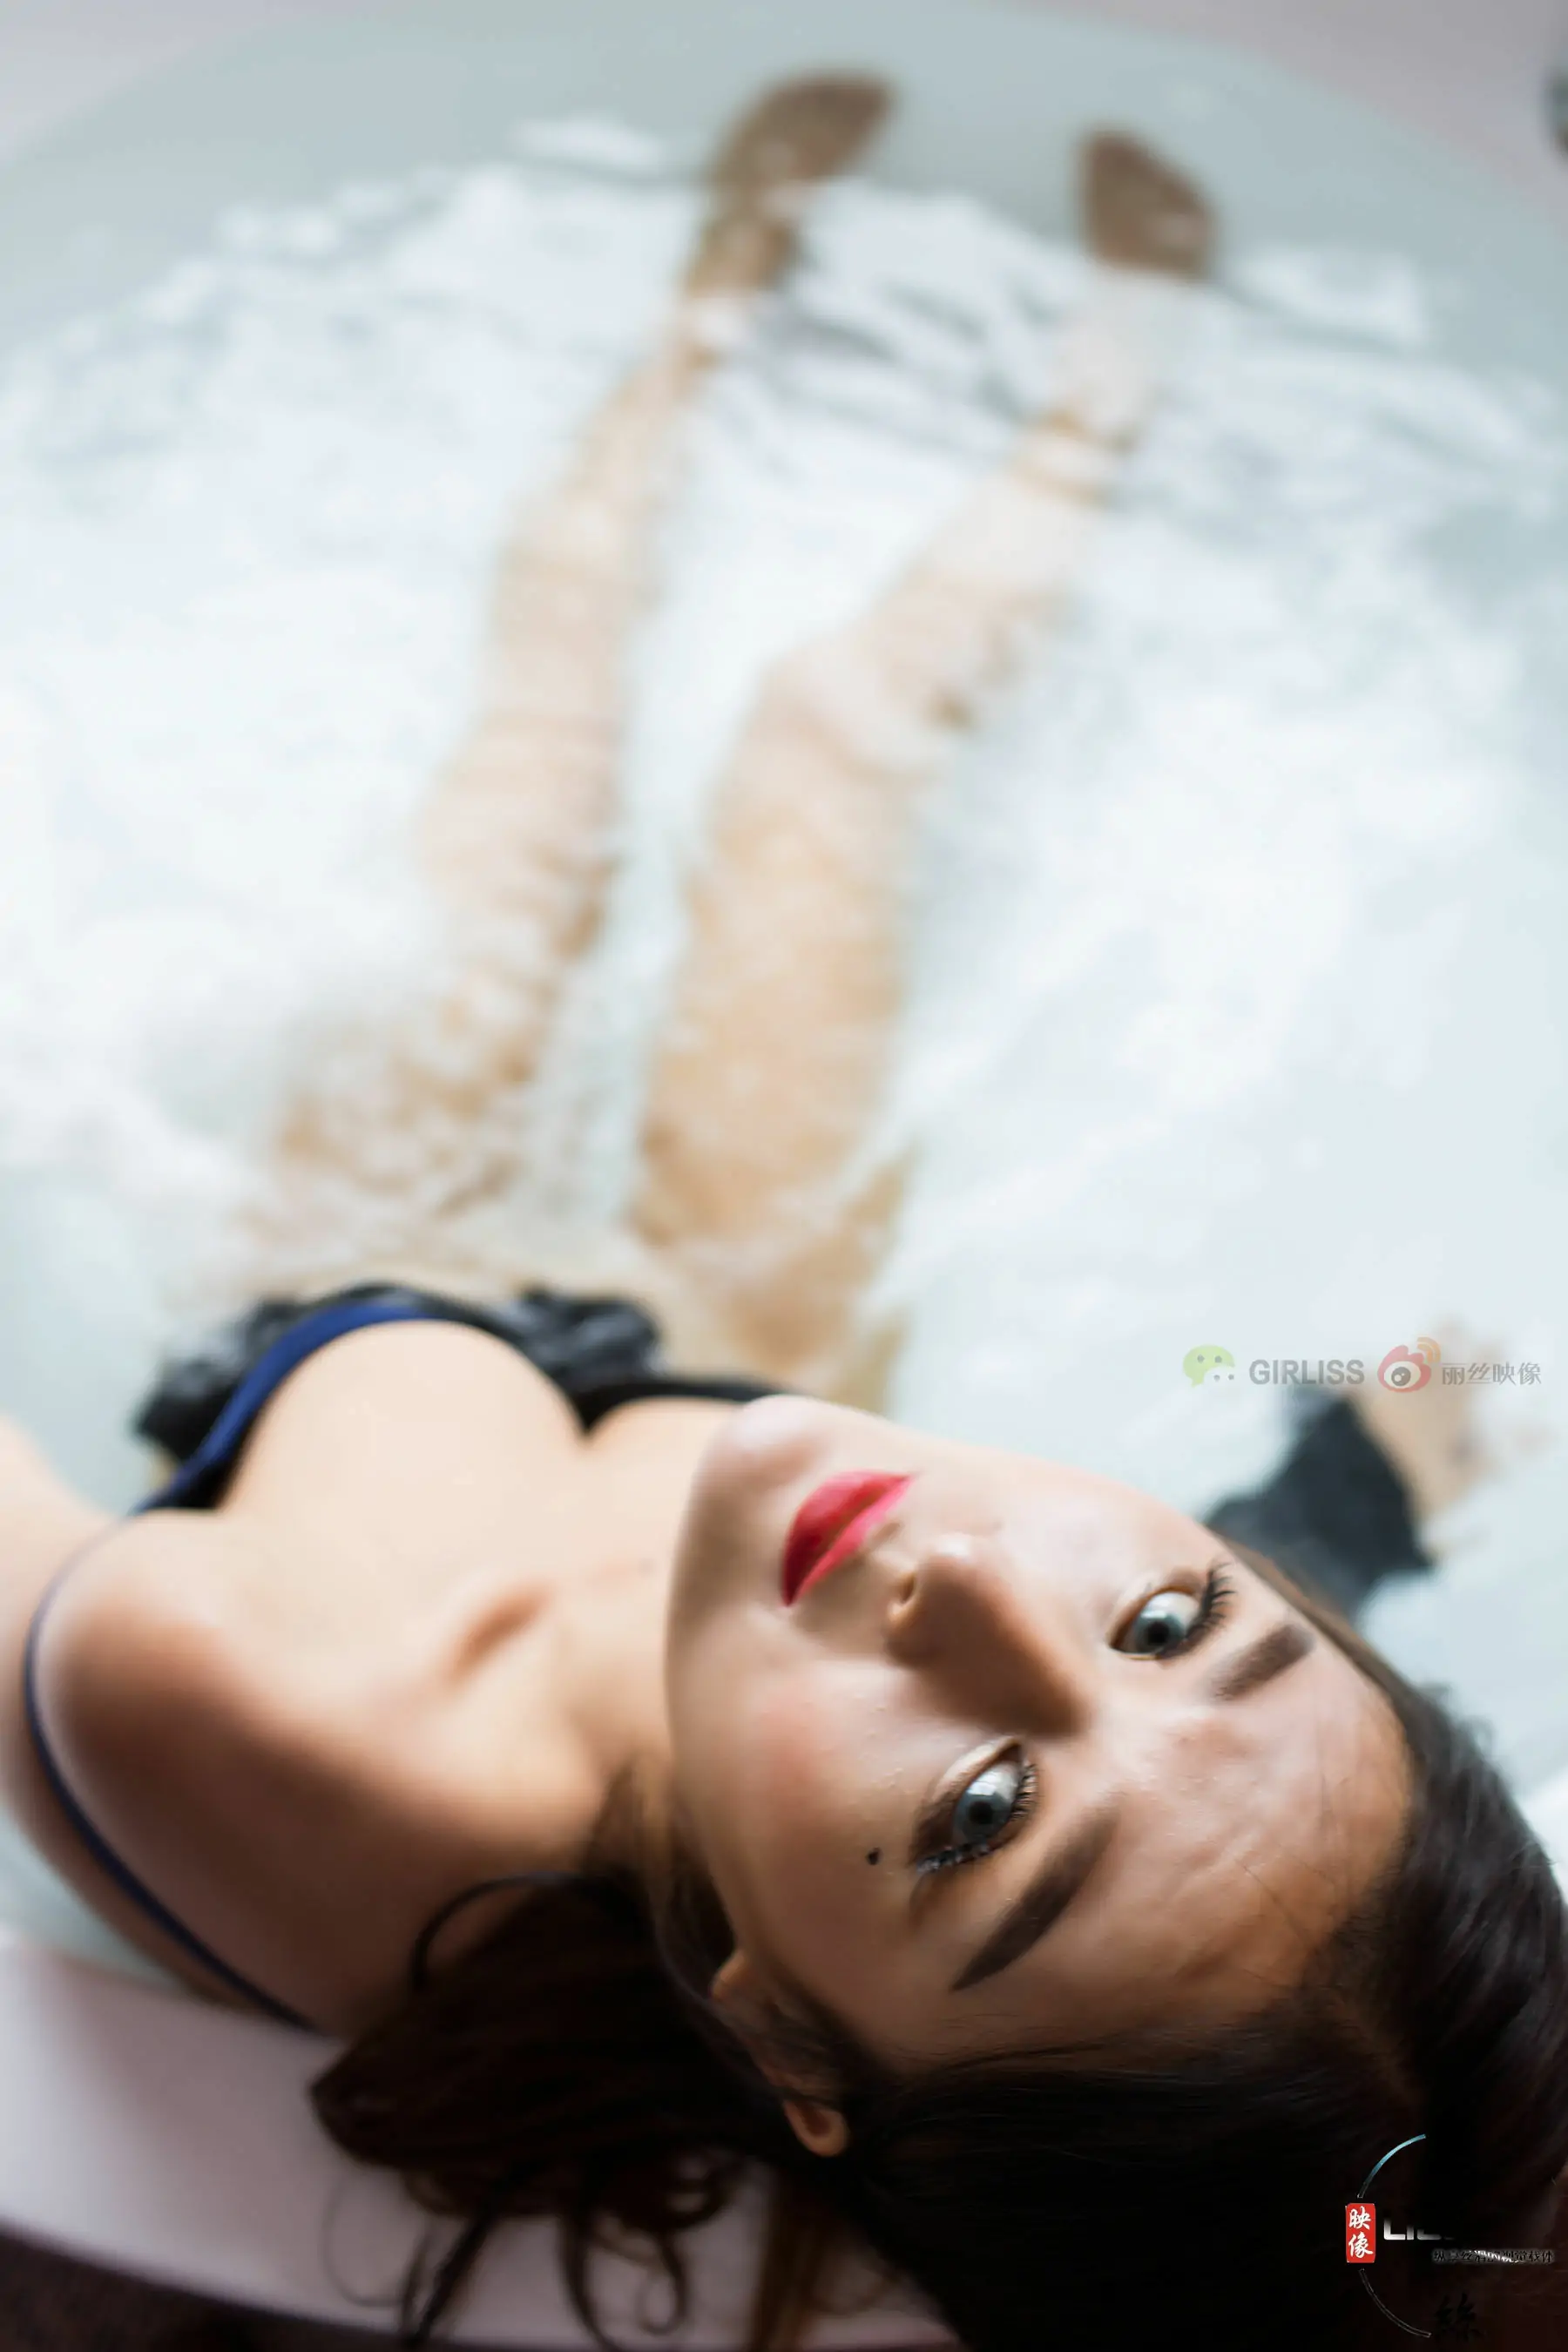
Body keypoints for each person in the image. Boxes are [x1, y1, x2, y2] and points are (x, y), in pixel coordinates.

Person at [0, 90, 1563, 2352]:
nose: (975, 1580)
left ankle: (702, 311)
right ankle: (1092, 385)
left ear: (787, 2044)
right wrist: (1377, 1459)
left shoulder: (255, 1696)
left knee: (551, 705)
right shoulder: (949, 1692)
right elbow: (1363, 2136)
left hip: (348, 1300)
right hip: (739, 1369)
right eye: (1172, 1615)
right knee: (831, 734)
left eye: (984, 1816)